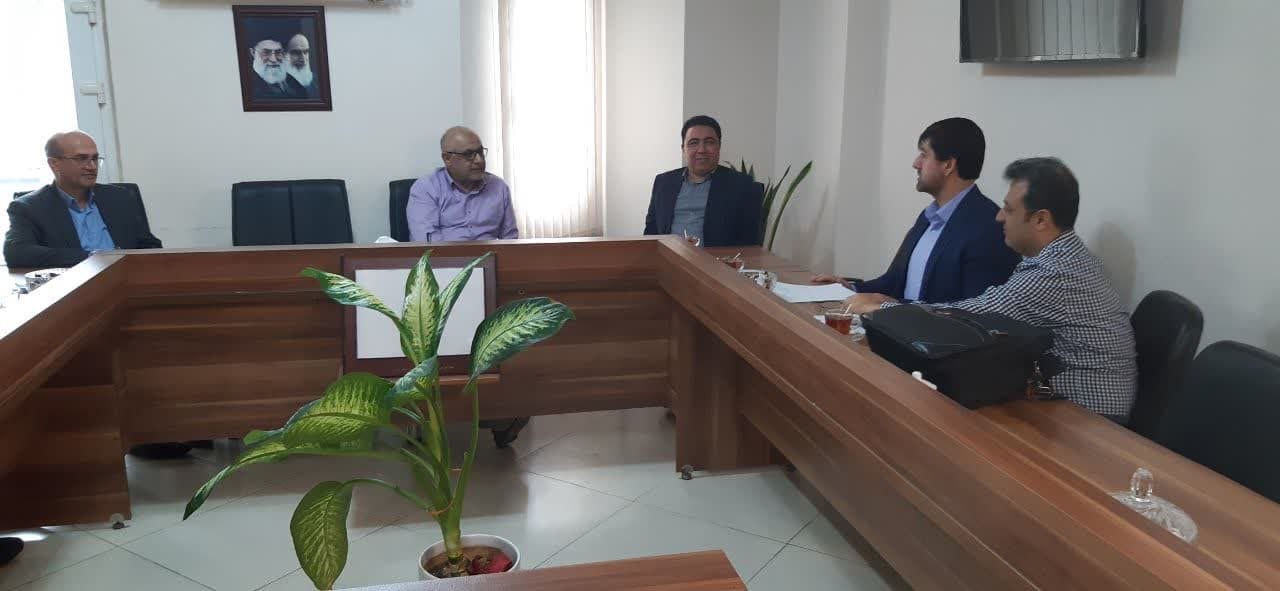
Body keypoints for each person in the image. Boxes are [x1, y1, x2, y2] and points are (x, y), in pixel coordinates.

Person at [848, 158, 1138, 422]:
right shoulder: (1065, 257)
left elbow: (964, 316)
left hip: (1090, 419)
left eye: (1009, 209)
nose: (999, 217)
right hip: (1061, 399)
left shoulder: (1054, 274)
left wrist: (881, 309)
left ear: (1040, 219)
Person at [814, 118, 1018, 303]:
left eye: (924, 155)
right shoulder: (929, 217)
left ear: (948, 165)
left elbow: (973, 313)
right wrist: (849, 288)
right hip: (898, 327)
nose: (915, 164)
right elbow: (894, 282)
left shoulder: (989, 227)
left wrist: (894, 308)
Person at [5, 131, 163, 267]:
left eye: (95, 158)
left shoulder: (120, 197)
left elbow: (150, 246)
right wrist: (93, 257)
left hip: (126, 280)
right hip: (74, 285)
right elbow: (17, 253)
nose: (92, 166)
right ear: (54, 164)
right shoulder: (29, 207)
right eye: (81, 158)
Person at [644, 115, 764, 247]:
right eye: (693, 143)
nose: (701, 150)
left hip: (716, 259)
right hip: (669, 257)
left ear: (719, 146)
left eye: (709, 142)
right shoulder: (663, 183)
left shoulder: (742, 185)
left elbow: (748, 243)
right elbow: (651, 234)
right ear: (683, 149)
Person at [406, 126, 518, 242]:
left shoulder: (498, 187)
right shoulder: (426, 188)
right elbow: (426, 243)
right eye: (469, 154)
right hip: (446, 253)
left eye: (480, 152)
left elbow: (510, 239)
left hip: (490, 253)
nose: (479, 160)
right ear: (447, 158)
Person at [285, 33, 318, 98]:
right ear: (285, 55)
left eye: (305, 52)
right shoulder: (278, 86)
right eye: (296, 52)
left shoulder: (317, 82)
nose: (303, 58)